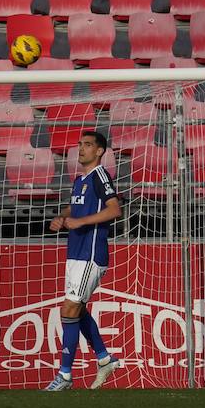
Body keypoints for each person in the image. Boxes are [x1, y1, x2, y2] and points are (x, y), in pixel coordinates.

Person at [44, 132, 124, 391]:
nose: (81, 149)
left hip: (90, 253)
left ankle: (65, 375)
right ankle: (104, 358)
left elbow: (114, 209)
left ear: (100, 151)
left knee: (69, 310)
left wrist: (80, 222)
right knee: (76, 309)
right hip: (75, 253)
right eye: (80, 144)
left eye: (88, 145)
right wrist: (63, 217)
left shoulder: (101, 176)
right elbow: (74, 208)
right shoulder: (79, 180)